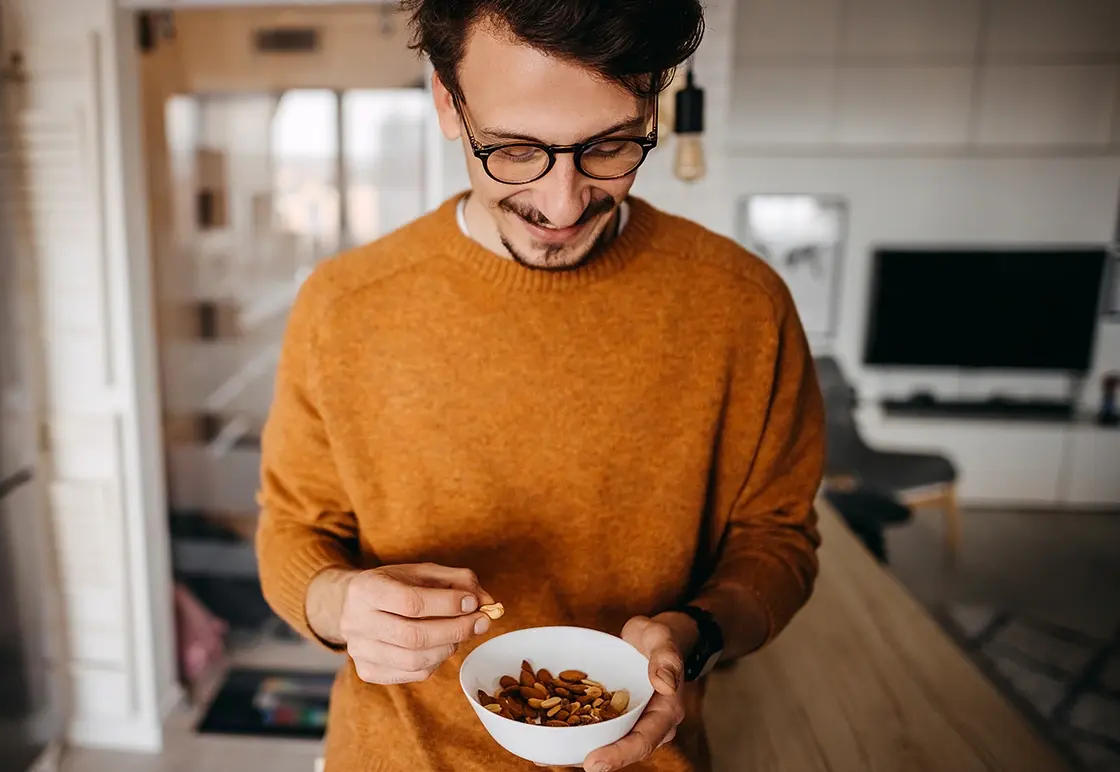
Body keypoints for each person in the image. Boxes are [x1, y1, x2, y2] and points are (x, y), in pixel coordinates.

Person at [254, 1, 825, 770]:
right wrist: (340, 608)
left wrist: (700, 633)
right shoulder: (343, 305)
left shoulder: (744, 305)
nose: (562, 205)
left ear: (653, 98)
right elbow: (292, 531)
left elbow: (778, 538)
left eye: (612, 147)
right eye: (516, 151)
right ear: (447, 104)